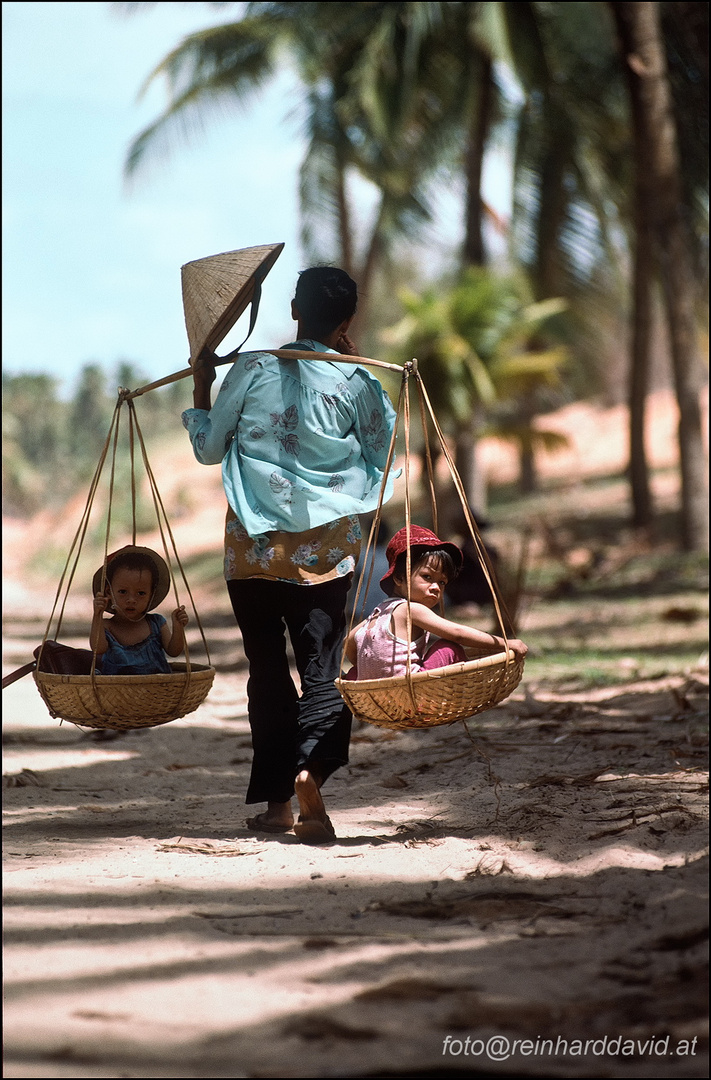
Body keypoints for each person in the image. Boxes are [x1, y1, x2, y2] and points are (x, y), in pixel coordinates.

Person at [182, 266, 396, 844]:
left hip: (251, 553)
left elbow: (208, 449)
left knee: (267, 673)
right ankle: (309, 776)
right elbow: (383, 462)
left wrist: (202, 385)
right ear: (348, 320)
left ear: (296, 310)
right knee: (323, 669)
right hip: (324, 554)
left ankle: (278, 806)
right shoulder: (359, 381)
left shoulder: (252, 368)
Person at [345, 525, 528, 680]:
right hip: (411, 691)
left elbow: (349, 641)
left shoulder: (379, 612)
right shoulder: (411, 609)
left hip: (378, 695)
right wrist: (505, 644)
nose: (436, 587)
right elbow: (458, 634)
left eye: (442, 582)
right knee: (449, 647)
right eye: (427, 577)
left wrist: (369, 670)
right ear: (400, 578)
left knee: (355, 672)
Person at [90, 546, 188, 675]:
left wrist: (178, 626)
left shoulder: (156, 623)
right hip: (117, 691)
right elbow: (98, 648)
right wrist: (97, 614)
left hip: (157, 689)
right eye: (123, 592)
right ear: (109, 592)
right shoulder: (106, 626)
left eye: (141, 593)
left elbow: (174, 651)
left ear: (151, 595)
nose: (131, 600)